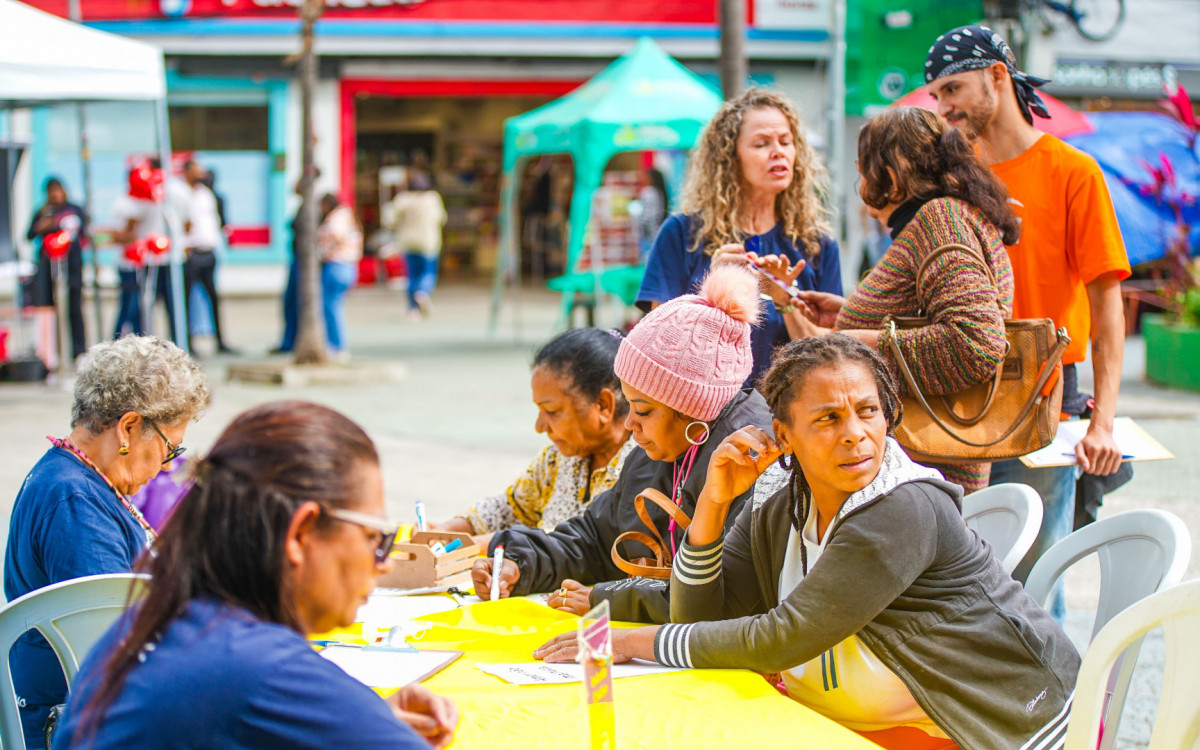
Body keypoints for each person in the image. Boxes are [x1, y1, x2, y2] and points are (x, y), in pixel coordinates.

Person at [534, 335, 1080, 750]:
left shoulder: (902, 507)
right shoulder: (780, 495)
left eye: (868, 411)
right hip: (864, 726)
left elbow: (784, 638)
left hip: (990, 725)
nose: (855, 434)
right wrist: (713, 505)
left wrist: (632, 643)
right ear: (784, 435)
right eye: (828, 418)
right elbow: (700, 612)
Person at [53, 402, 459, 749]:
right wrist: (355, 721)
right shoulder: (266, 672)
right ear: (300, 533)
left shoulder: (156, 619)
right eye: (375, 537)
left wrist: (363, 716)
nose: (383, 562)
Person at [924, 25, 1130, 609]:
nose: (944, 107)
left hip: (1044, 387)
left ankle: (1056, 696)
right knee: (962, 565)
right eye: (937, 96)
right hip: (961, 383)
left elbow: (1107, 301)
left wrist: (1104, 421)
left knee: (1038, 571)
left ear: (997, 76)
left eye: (952, 89)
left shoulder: (1072, 171)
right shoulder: (953, 177)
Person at [472, 265, 774, 623]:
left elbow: (727, 598)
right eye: (630, 405)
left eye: (643, 410)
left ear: (693, 409)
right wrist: (523, 564)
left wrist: (608, 599)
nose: (630, 424)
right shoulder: (658, 455)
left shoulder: (753, 463)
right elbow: (595, 538)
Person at [780, 106, 1017, 493]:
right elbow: (925, 314)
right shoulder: (944, 219)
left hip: (919, 479)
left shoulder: (940, 221)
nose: (861, 182)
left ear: (891, 172)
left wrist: (854, 343)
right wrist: (849, 314)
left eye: (863, 169)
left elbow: (977, 342)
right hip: (915, 475)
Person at [4, 335, 210, 748]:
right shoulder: (74, 502)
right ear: (129, 427)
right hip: (68, 726)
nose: (166, 467)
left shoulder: (75, 477)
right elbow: (109, 651)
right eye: (169, 449)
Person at [636, 87, 842, 386]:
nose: (778, 152)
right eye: (761, 143)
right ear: (729, 157)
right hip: (707, 417)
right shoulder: (682, 233)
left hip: (792, 418)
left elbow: (832, 355)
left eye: (786, 141)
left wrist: (785, 301)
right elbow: (658, 342)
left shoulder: (817, 244)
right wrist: (713, 289)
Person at [434, 328, 636, 539]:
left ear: (603, 405)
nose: (539, 426)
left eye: (552, 411)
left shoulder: (642, 468)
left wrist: (495, 544)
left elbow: (589, 549)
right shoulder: (556, 459)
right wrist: (449, 529)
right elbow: (511, 508)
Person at [110, 160, 177, 342]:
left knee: (144, 308)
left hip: (151, 260)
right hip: (131, 264)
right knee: (131, 308)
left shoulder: (155, 200)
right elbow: (123, 235)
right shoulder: (128, 203)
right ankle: (120, 343)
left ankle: (141, 342)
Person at [26, 177, 88, 359]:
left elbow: (84, 232)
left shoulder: (74, 209)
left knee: (74, 309)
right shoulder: (43, 211)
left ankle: (78, 352)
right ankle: (51, 355)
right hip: (48, 268)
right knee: (49, 311)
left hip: (72, 265)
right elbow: (29, 235)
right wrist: (41, 227)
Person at [180, 159, 236, 355]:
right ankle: (186, 341)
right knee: (185, 300)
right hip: (191, 252)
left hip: (208, 251)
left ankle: (220, 340)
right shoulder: (182, 194)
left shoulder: (206, 195)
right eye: (197, 171)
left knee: (213, 297)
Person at [389, 174, 447, 319]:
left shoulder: (402, 200)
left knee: (412, 276)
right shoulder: (432, 199)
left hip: (408, 243)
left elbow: (390, 220)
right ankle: (423, 292)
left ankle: (412, 310)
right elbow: (441, 218)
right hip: (428, 243)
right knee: (428, 273)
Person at [316, 193, 363, 360]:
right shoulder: (348, 216)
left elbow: (337, 235)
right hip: (348, 265)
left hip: (337, 264)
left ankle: (337, 346)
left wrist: (327, 251)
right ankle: (336, 345)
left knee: (331, 307)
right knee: (334, 306)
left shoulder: (336, 218)